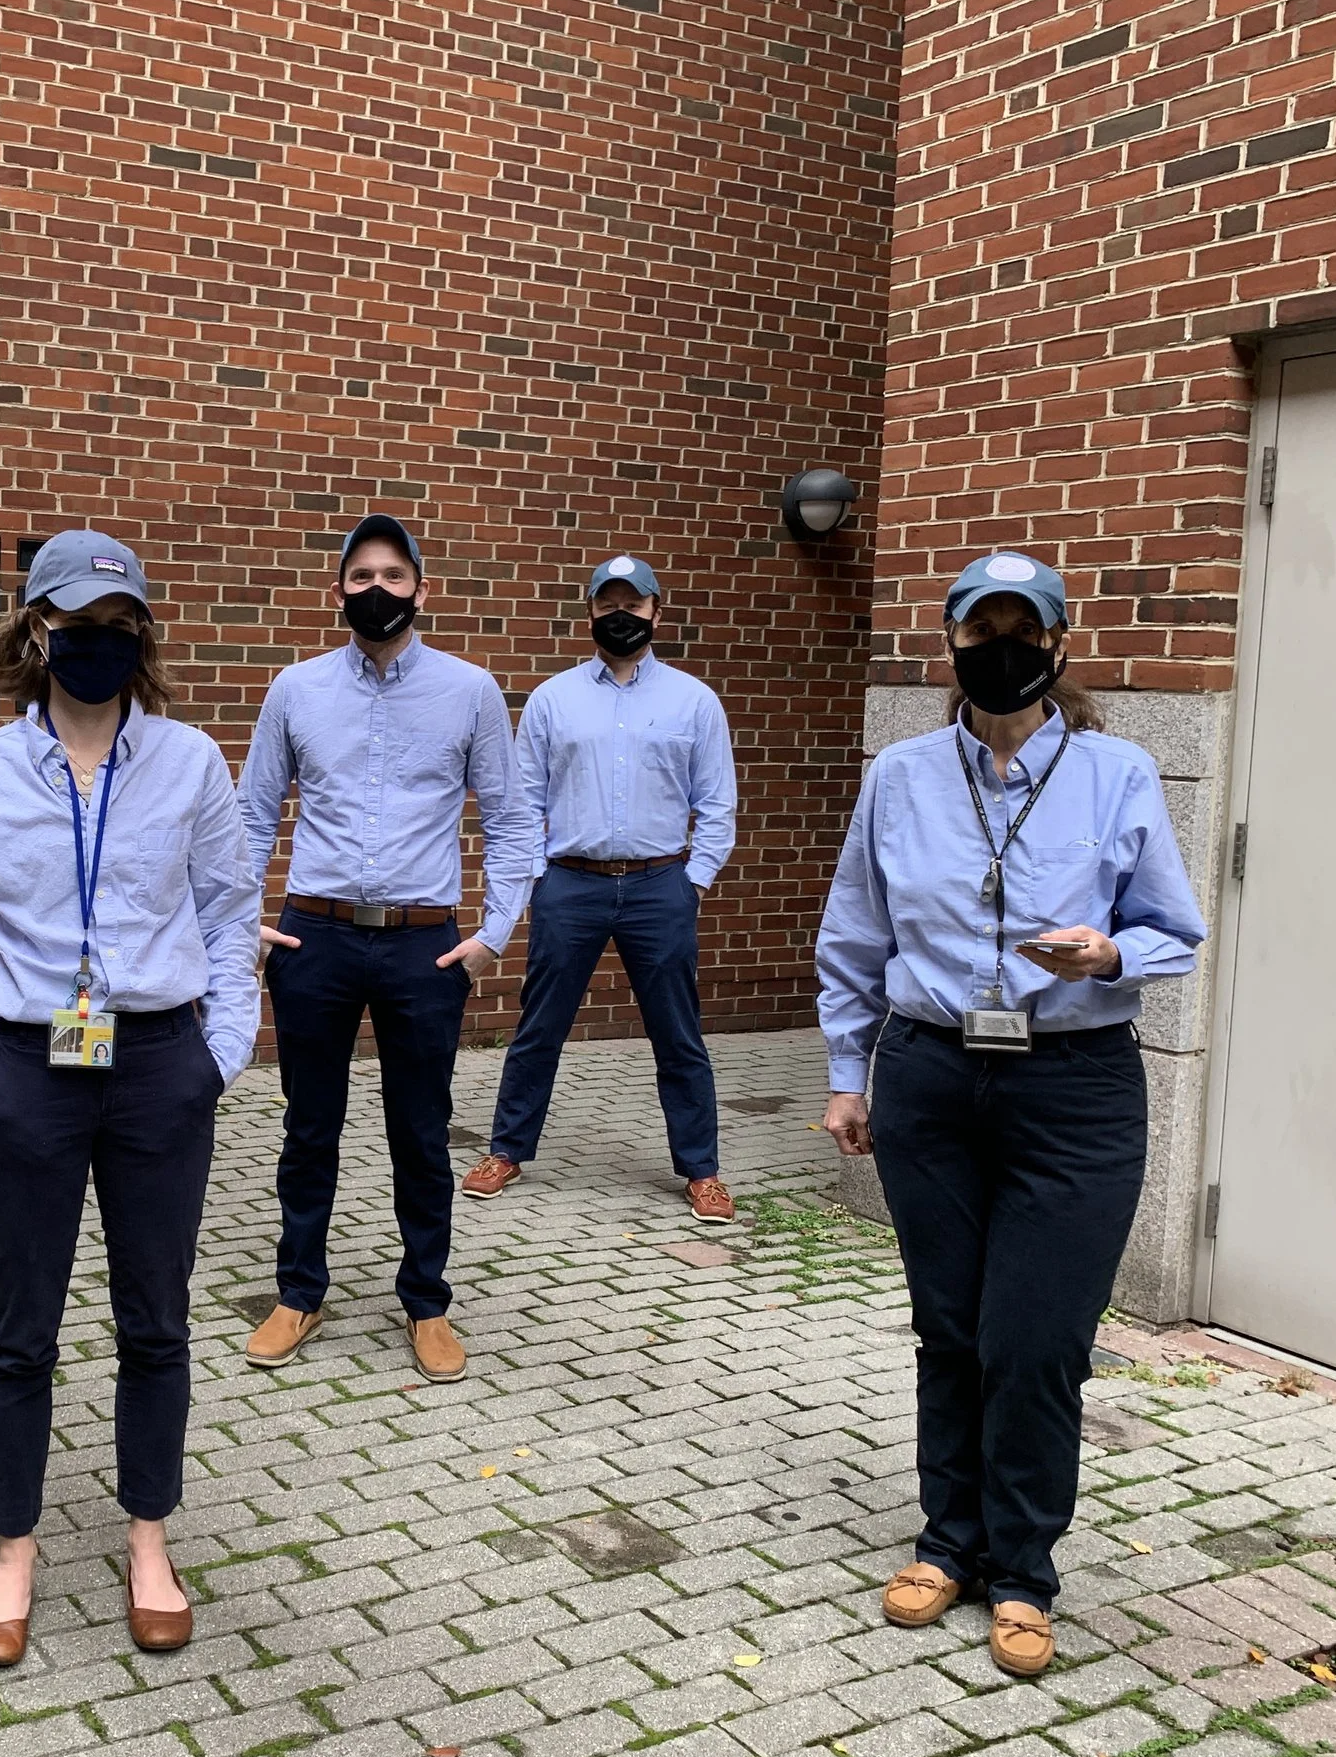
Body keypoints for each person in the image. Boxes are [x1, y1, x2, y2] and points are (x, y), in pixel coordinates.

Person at [814, 551, 1205, 1678]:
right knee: (949, 1327)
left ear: (1056, 643)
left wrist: (1111, 947)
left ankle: (1024, 1569)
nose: (1002, 650)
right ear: (950, 645)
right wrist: (849, 1074)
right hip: (932, 1075)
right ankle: (950, 1540)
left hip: (1073, 1086)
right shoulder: (898, 774)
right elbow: (854, 935)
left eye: (1021, 631)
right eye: (980, 631)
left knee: (1034, 1344)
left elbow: (1177, 929)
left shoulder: (1119, 772)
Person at [0, 530, 259, 1668]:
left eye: (117, 627)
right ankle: (13, 1551)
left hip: (159, 1068)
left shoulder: (193, 764)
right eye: (74, 625)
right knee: (19, 1334)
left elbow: (227, 913)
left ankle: (148, 1540)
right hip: (22, 1071)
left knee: (155, 1322)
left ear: (139, 638)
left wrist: (220, 1057)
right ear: (33, 631)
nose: (93, 645)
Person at [236, 513, 543, 1383]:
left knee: (420, 1129)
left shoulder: (471, 690)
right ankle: (300, 1290)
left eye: (394, 576)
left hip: (424, 946)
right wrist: (240, 918)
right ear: (339, 589)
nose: (378, 590)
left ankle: (427, 1301)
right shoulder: (295, 690)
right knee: (309, 1126)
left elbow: (513, 820)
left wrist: (490, 936)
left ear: (421, 588)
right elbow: (252, 813)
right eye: (361, 575)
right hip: (314, 934)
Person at [464, 555, 739, 1220]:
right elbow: (522, 800)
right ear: (589, 611)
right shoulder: (554, 699)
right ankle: (506, 1149)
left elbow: (719, 803)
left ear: (655, 610)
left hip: (658, 885)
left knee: (678, 1034)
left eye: (634, 602)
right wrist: (537, 875)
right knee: (540, 1026)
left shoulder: (694, 701)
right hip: (571, 885)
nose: (621, 614)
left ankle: (701, 1169)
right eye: (608, 602)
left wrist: (692, 883)